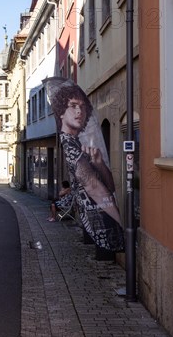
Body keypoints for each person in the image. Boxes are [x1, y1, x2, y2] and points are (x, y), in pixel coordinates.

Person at [50, 83, 124, 251]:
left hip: (101, 215)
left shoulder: (79, 143)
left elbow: (110, 187)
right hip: (97, 218)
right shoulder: (69, 145)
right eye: (73, 106)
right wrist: (120, 224)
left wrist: (100, 164)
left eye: (82, 107)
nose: (79, 111)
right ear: (61, 111)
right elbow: (92, 185)